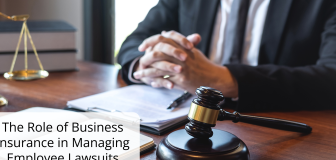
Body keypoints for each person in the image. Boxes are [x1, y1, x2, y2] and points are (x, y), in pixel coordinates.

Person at [117, 0, 336, 112]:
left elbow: (331, 77)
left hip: (276, 127)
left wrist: (222, 80)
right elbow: (136, 42)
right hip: (180, 117)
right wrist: (147, 66)